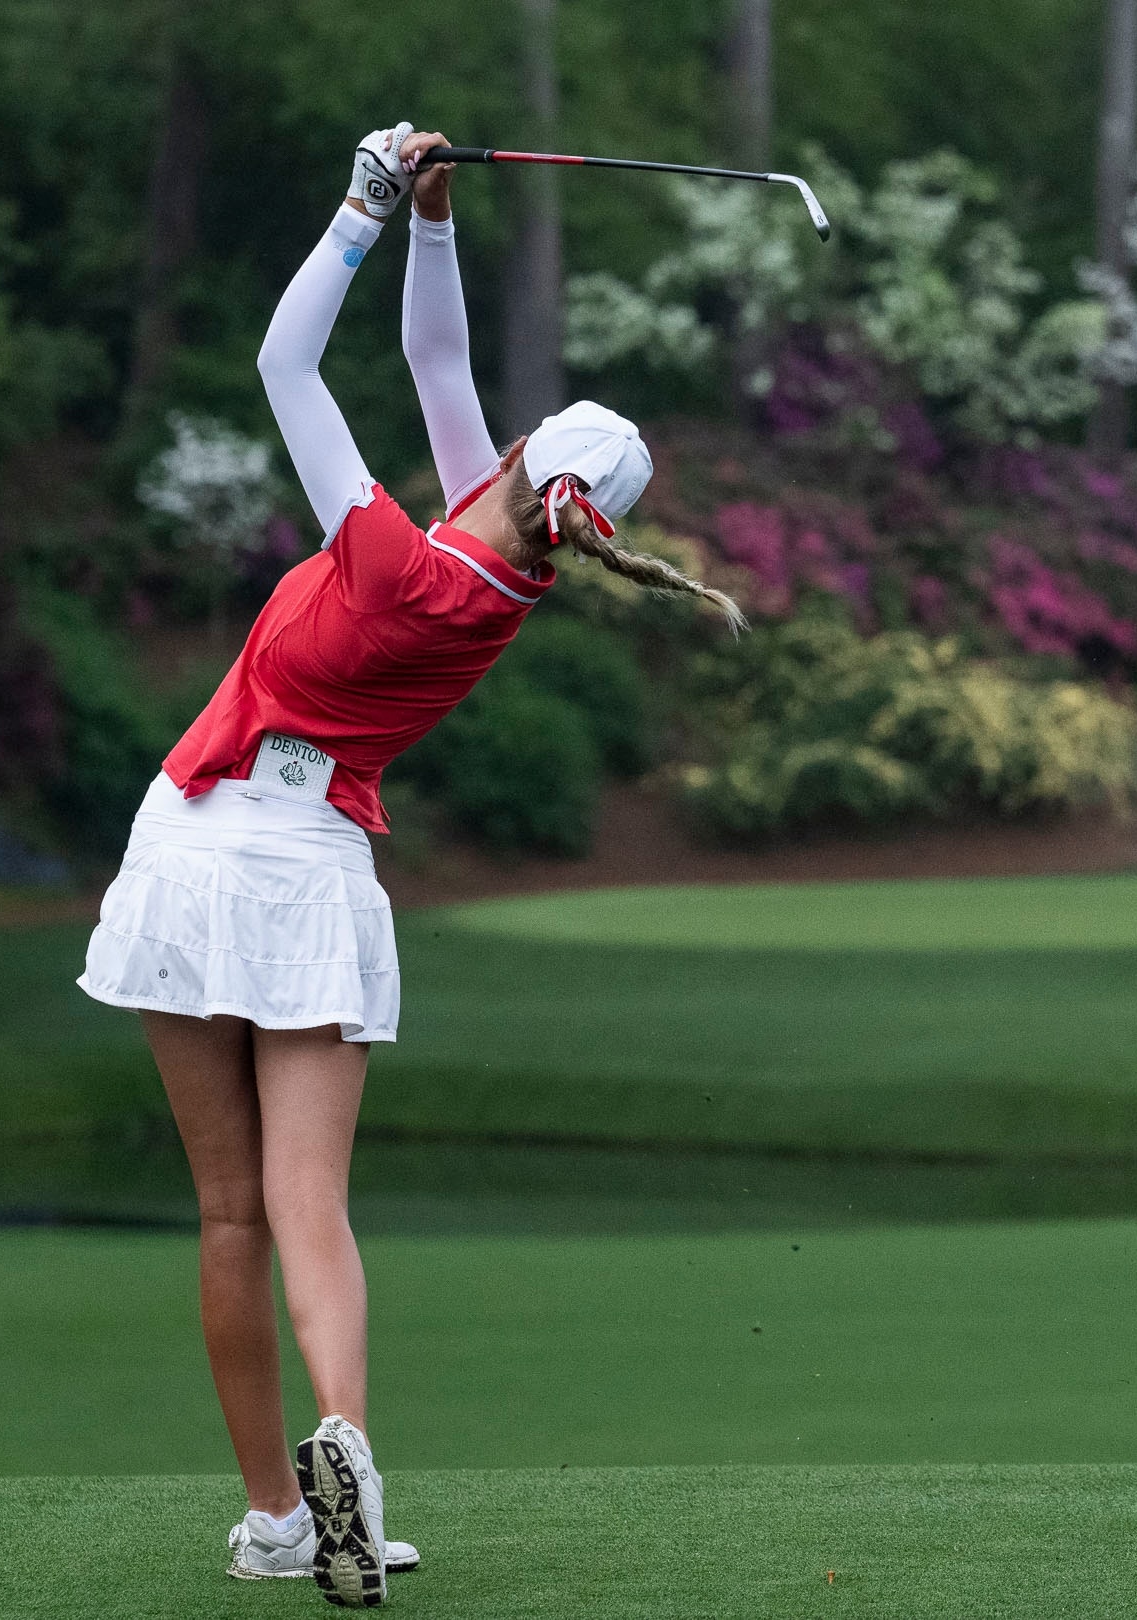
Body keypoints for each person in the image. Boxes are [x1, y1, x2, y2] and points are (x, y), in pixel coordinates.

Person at [76, 123, 739, 1607]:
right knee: (311, 1204)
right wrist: (435, 226)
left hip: (193, 845)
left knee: (230, 1215)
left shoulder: (391, 553)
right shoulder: (502, 584)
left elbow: (283, 366)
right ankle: (349, 1445)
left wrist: (363, 207)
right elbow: (439, 367)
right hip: (313, 876)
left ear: (520, 463)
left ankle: (274, 1517)